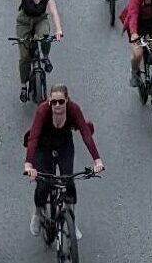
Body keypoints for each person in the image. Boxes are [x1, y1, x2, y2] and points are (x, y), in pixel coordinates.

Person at [23, 85, 104, 238]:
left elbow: (86, 135)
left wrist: (97, 160)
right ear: (49, 102)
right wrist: (28, 164)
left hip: (64, 144)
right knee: (44, 183)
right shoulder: (42, 111)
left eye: (61, 101)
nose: (58, 106)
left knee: (69, 181)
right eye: (54, 102)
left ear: (67, 100)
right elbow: (33, 138)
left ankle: (72, 221)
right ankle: (38, 213)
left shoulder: (74, 110)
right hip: (43, 146)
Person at [0, 0, 63, 103]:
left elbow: (54, 12)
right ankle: (23, 86)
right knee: (25, 57)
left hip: (40, 20)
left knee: (45, 36)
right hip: (24, 23)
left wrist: (58, 30)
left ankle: (45, 57)